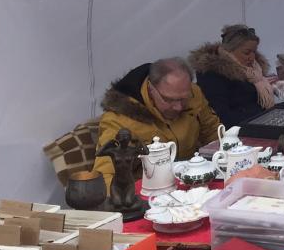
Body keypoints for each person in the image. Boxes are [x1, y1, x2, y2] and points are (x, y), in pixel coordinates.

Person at [93, 57, 222, 188]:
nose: (178, 107)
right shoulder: (118, 120)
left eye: (184, 99)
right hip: (148, 192)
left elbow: (213, 132)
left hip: (192, 181)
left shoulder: (192, 92)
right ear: (151, 88)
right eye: (169, 100)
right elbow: (105, 177)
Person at [189, 25, 276, 127]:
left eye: (254, 52)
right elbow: (221, 116)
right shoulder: (212, 74)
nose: (252, 57)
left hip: (258, 122)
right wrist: (262, 117)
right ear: (229, 51)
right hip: (237, 130)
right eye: (246, 53)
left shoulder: (254, 71)